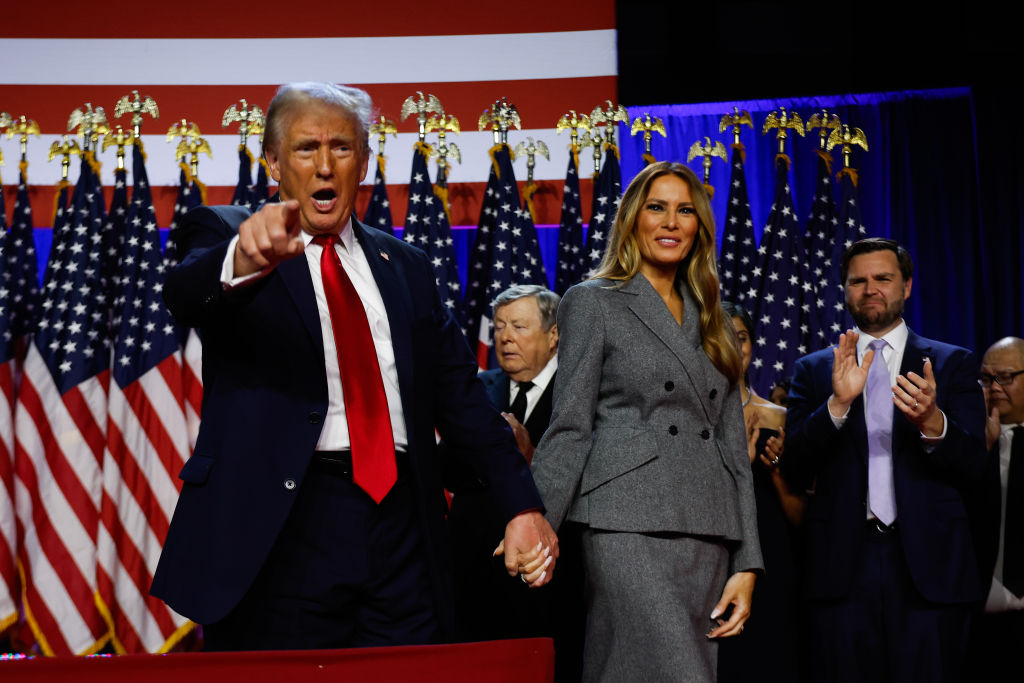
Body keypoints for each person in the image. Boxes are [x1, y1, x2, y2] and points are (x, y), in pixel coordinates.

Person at [150, 82, 557, 651]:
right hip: (283, 526)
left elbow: (463, 401)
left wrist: (522, 507)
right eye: (305, 148)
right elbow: (184, 294)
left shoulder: (406, 267)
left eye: (341, 148)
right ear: (272, 160)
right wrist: (244, 258)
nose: (324, 165)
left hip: (402, 528)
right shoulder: (227, 232)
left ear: (363, 162)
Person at [529, 161, 763, 682]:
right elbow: (570, 425)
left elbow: (733, 451)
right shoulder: (592, 301)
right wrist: (536, 518)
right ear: (633, 219)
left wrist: (747, 562)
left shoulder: (716, 318)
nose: (671, 221)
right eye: (657, 207)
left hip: (707, 528)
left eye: (685, 210)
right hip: (624, 521)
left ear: (699, 226)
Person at [786, 238, 988, 682]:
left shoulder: (952, 364)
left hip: (929, 572)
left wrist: (934, 422)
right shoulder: (815, 370)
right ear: (844, 290)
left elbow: (977, 467)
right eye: (858, 280)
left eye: (883, 278)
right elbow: (794, 466)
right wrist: (836, 407)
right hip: (841, 570)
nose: (870, 288)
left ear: (907, 286)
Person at [445, 284, 585, 681]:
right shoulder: (474, 392)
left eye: (519, 327)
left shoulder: (577, 392)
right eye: (501, 326)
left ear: (554, 334)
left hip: (551, 575)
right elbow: (446, 468)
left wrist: (529, 456)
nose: (505, 337)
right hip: (476, 575)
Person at [717, 301, 805, 683]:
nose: (735, 348)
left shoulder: (780, 418)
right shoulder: (687, 420)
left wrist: (777, 473)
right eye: (723, 338)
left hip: (772, 552)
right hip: (711, 552)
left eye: (742, 338)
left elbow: (804, 514)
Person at [965, 336, 1024, 677]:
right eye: (986, 379)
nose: (994, 387)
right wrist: (981, 450)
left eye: (1005, 376)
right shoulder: (965, 440)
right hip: (977, 615)